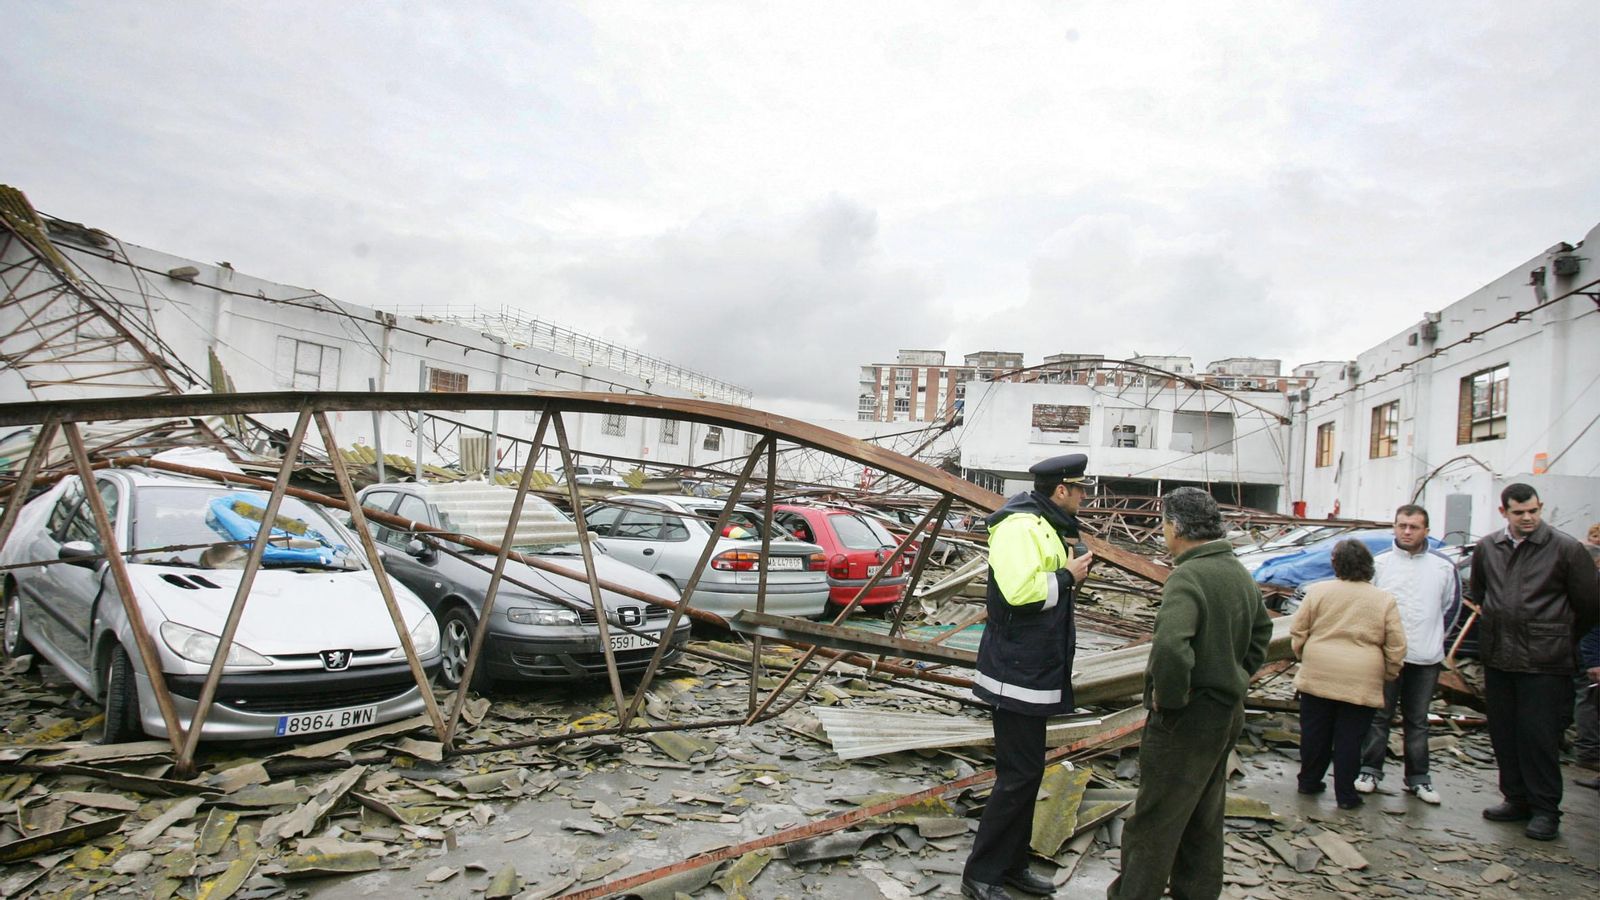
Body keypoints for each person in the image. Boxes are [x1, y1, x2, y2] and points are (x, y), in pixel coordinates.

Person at [1107, 488, 1273, 900]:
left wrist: (1172, 697)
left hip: (1187, 718)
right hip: (1224, 713)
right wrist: (1236, 676)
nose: (1162, 532)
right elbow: (1263, 632)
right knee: (1203, 815)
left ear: (1176, 527)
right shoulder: (1236, 571)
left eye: (1163, 523)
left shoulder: (1189, 576)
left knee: (1153, 822)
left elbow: (1170, 648)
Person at [962, 454, 1095, 900]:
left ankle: (1011, 864)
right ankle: (981, 875)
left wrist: (1066, 573)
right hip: (1015, 672)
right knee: (1016, 777)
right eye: (1079, 490)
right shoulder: (1020, 526)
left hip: (1033, 667)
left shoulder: (1043, 522)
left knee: (1028, 773)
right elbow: (1020, 595)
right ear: (1062, 489)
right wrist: (1067, 576)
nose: (1082, 498)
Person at [1469, 484, 1599, 841]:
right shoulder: (1488, 547)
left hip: (1545, 661)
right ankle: (1516, 799)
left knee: (1539, 737)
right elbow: (1480, 593)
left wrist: (1557, 636)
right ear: (1504, 513)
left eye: (1533, 511)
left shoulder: (1566, 549)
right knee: (1504, 733)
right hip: (1499, 657)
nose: (1527, 518)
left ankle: (1545, 810)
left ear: (1540, 508)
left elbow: (1588, 605)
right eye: (1519, 512)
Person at [1291, 540, 1407, 809]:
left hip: (1319, 671)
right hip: (1362, 677)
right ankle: (1346, 795)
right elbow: (1396, 644)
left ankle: (1308, 781)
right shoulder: (1384, 599)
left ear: (1335, 564)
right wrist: (1388, 671)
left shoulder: (1317, 592)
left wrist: (1305, 655)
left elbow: (1298, 630)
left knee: (1314, 732)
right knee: (1350, 738)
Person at [1354, 504, 1457, 804]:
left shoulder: (1442, 567)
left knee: (1418, 720)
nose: (1407, 532)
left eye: (1414, 526)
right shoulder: (1381, 565)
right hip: (1385, 658)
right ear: (1394, 528)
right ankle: (1370, 770)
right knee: (1378, 716)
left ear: (1426, 530)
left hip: (1425, 659)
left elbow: (1450, 608)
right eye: (1402, 526)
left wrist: (1435, 640)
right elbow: (1368, 606)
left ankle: (1418, 779)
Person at [1574, 524, 1600, 773]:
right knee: (1588, 698)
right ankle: (1588, 751)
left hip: (1579, 649)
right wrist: (1593, 660)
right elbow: (1592, 625)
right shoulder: (1592, 583)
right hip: (1588, 653)